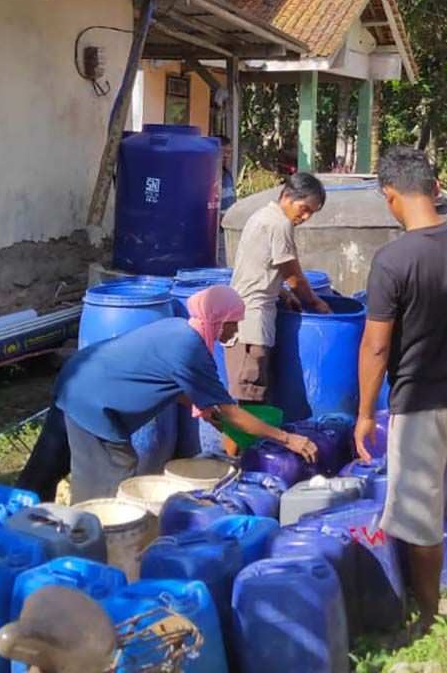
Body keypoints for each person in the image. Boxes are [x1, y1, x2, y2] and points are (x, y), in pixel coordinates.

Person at [353, 147, 447, 634]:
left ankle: (430, 616)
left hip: (419, 400)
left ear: (389, 196)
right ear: (435, 190)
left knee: (418, 515)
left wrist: (365, 413)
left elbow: (376, 345)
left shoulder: (393, 260)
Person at [19, 286, 318, 503]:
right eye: (234, 322)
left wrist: (208, 413)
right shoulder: (191, 349)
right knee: (109, 483)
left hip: (75, 381)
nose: (236, 329)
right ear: (220, 319)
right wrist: (287, 438)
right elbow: (232, 411)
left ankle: (24, 529)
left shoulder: (178, 327)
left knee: (40, 476)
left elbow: (171, 383)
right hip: (95, 406)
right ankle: (89, 554)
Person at [226, 173, 331, 432]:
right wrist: (318, 304)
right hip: (252, 325)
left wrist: (283, 294)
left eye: (311, 213)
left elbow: (260, 267)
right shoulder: (280, 224)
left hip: (240, 318)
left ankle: (241, 460)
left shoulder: (261, 216)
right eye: (304, 208)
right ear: (286, 196)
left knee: (248, 402)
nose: (305, 217)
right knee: (250, 405)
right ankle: (237, 465)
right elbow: (293, 275)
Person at [217, 135, 238, 264]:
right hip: (215, 235)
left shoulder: (228, 175)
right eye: (222, 152)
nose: (226, 156)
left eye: (228, 153)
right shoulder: (207, 176)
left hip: (228, 232)